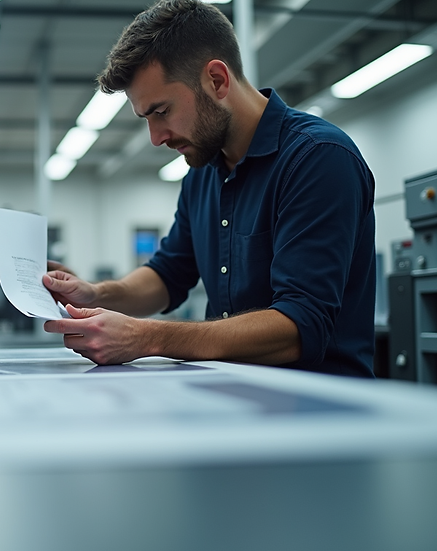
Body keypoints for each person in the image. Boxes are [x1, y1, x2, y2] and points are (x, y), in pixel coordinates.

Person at [35, 0, 376, 377]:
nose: (155, 137)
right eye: (146, 118)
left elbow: (299, 327)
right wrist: (97, 294)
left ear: (217, 80)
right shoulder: (202, 172)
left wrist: (147, 337)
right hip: (235, 398)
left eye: (161, 112)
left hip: (325, 413)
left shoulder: (317, 159)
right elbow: (168, 275)